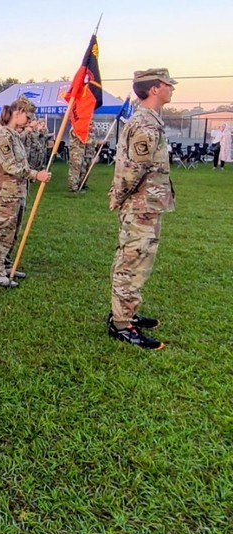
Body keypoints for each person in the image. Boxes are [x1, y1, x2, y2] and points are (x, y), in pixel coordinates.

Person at [107, 68, 177, 350]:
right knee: (131, 262)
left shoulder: (150, 120)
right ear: (154, 89)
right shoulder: (145, 123)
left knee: (140, 261)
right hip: (139, 206)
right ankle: (121, 324)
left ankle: (127, 312)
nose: (172, 89)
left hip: (148, 205)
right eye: (167, 85)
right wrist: (118, 195)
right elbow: (134, 168)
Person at [0, 97, 51, 288]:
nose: (30, 121)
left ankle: (5, 265)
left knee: (13, 231)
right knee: (3, 231)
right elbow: (10, 165)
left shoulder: (14, 135)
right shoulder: (1, 135)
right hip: (4, 192)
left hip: (16, 190)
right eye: (28, 117)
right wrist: (35, 174)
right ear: (18, 112)